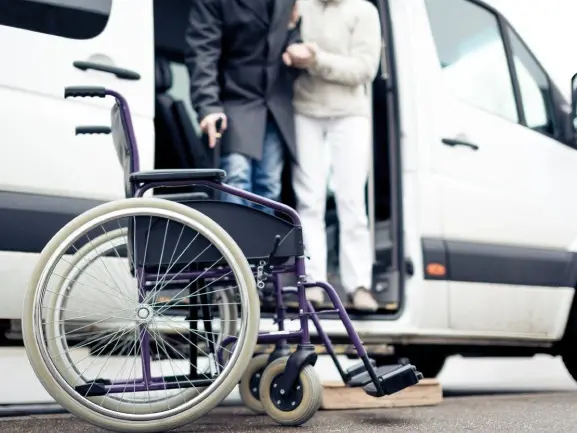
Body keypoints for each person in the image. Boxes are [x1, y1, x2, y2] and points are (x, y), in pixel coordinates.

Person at [284, 0, 383, 311]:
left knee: (351, 200)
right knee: (308, 200)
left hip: (349, 114)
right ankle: (312, 281)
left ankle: (359, 285)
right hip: (305, 111)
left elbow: (365, 69)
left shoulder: (363, 11)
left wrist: (316, 59)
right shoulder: (299, 5)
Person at [184, 0, 310, 210]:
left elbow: (288, 39)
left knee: (269, 185)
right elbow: (203, 51)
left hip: (275, 105)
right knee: (235, 178)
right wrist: (208, 106)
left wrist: (295, 47)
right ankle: (233, 242)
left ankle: (261, 243)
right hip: (235, 100)